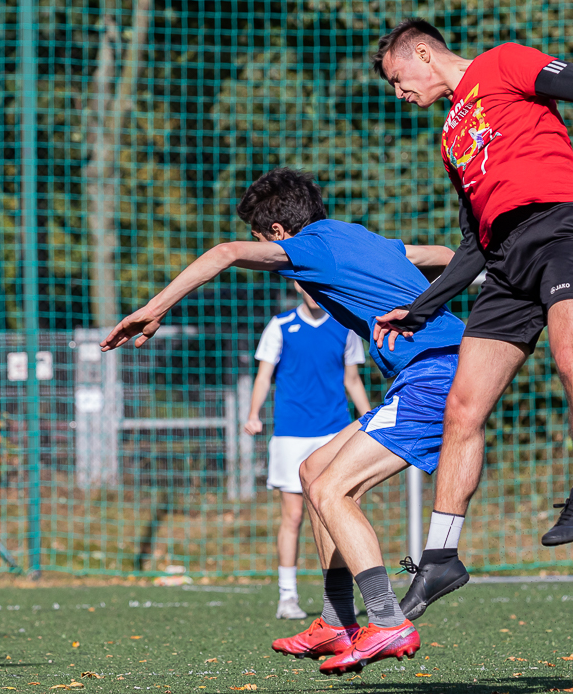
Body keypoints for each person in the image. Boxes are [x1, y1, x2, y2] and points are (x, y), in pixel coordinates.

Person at [370, 18, 573, 619]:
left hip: (561, 230)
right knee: (461, 409)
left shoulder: (504, 62)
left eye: (398, 79)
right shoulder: (450, 136)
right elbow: (472, 244)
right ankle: (441, 558)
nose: (400, 93)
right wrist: (422, 309)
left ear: (422, 51)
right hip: (504, 263)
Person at [100, 168, 465, 676]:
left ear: (276, 233)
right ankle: (338, 621)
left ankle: (387, 620)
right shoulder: (357, 237)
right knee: (314, 470)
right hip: (435, 369)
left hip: (435, 377)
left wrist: (153, 308)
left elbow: (225, 254)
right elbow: (449, 257)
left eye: (259, 237)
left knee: (334, 489)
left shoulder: (310, 248)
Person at [245, 280, 371, 619]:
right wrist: (253, 414)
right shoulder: (280, 326)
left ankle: (342, 594)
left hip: (335, 435)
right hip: (291, 435)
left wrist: (370, 418)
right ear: (298, 285)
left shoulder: (345, 327)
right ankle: (287, 597)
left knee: (343, 512)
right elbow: (263, 375)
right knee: (294, 516)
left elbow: (352, 379)